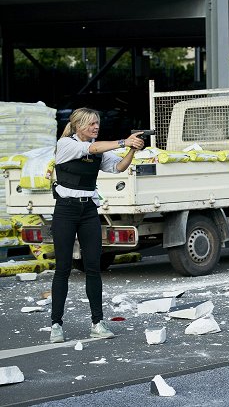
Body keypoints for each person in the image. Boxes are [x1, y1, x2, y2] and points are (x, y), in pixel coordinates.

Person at [49, 108, 145, 343]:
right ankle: (56, 325)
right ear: (79, 125)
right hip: (65, 210)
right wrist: (124, 141)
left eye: (97, 123)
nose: (96, 127)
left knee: (93, 267)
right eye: (91, 124)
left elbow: (119, 167)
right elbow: (90, 148)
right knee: (63, 268)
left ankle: (97, 323)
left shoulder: (99, 148)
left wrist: (131, 150)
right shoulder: (66, 144)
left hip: (88, 210)